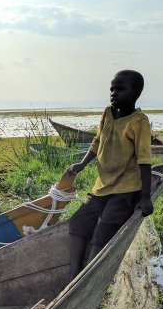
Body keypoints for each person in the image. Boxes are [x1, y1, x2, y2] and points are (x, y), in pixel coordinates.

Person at [64, 69, 154, 279]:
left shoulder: (139, 121)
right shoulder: (107, 113)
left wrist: (146, 197)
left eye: (120, 89)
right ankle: (72, 275)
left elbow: (144, 159)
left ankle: (87, 279)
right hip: (102, 186)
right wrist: (82, 164)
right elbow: (97, 142)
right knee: (78, 222)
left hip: (126, 188)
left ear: (136, 93)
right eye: (111, 89)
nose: (113, 93)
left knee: (102, 232)